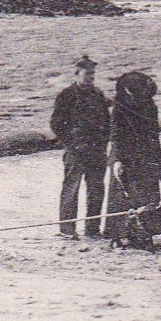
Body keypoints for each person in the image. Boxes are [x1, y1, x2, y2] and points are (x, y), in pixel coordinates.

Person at [51, 54, 111, 239]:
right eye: (87, 74)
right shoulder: (66, 95)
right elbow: (56, 123)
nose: (90, 78)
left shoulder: (98, 94)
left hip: (96, 150)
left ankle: (92, 228)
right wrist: (71, 142)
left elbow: (107, 122)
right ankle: (67, 229)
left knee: (96, 190)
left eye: (93, 74)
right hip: (76, 151)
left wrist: (103, 142)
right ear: (77, 74)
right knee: (71, 188)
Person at [107, 70, 161, 249]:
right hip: (125, 156)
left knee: (147, 193)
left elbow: (154, 136)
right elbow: (115, 134)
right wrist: (117, 159)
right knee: (121, 196)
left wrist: (159, 162)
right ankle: (119, 234)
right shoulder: (119, 107)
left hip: (146, 156)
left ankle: (146, 233)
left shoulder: (150, 106)